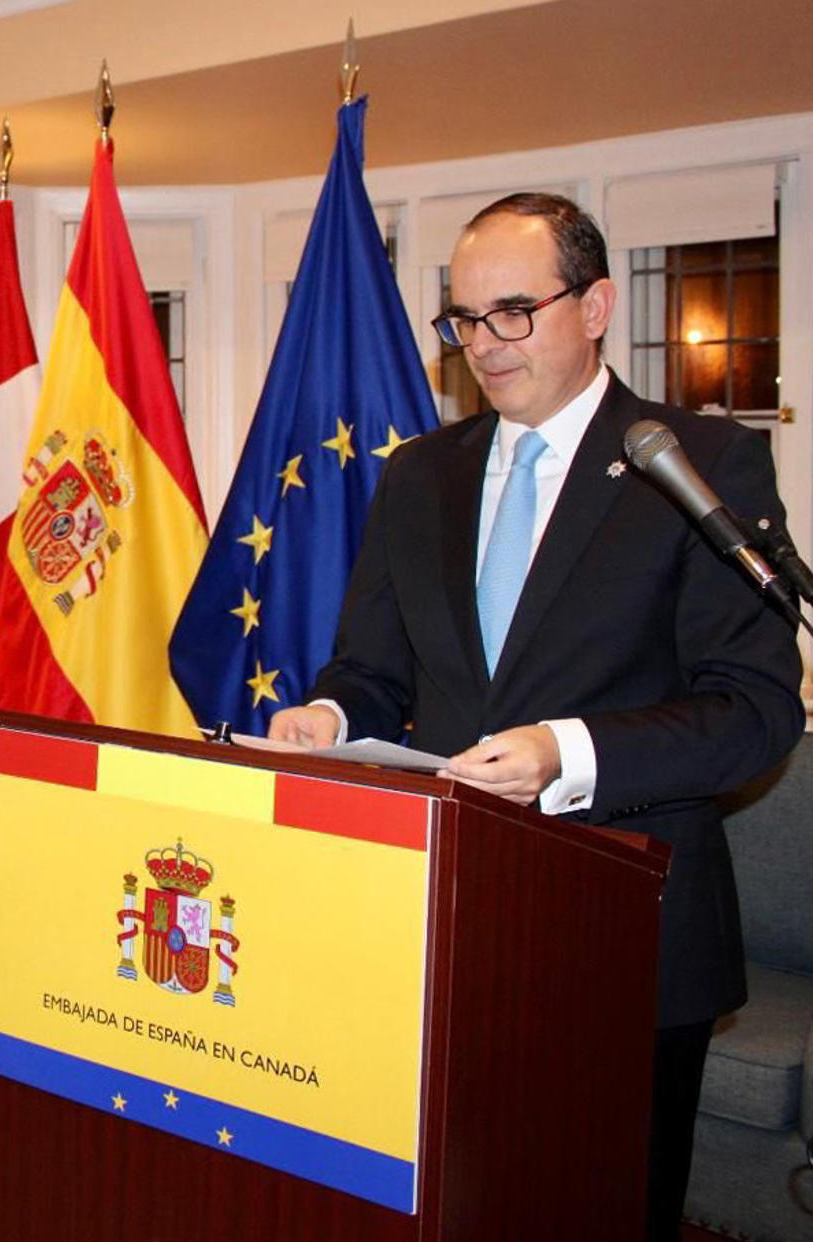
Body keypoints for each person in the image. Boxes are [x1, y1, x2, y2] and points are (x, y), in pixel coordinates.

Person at [268, 193, 803, 1240]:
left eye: (513, 311)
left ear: (597, 306)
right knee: (452, 1201)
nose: (482, 345)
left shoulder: (695, 461)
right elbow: (374, 669)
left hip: (626, 924)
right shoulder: (422, 474)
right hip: (442, 916)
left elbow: (753, 711)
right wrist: (331, 717)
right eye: (464, 320)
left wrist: (570, 751)